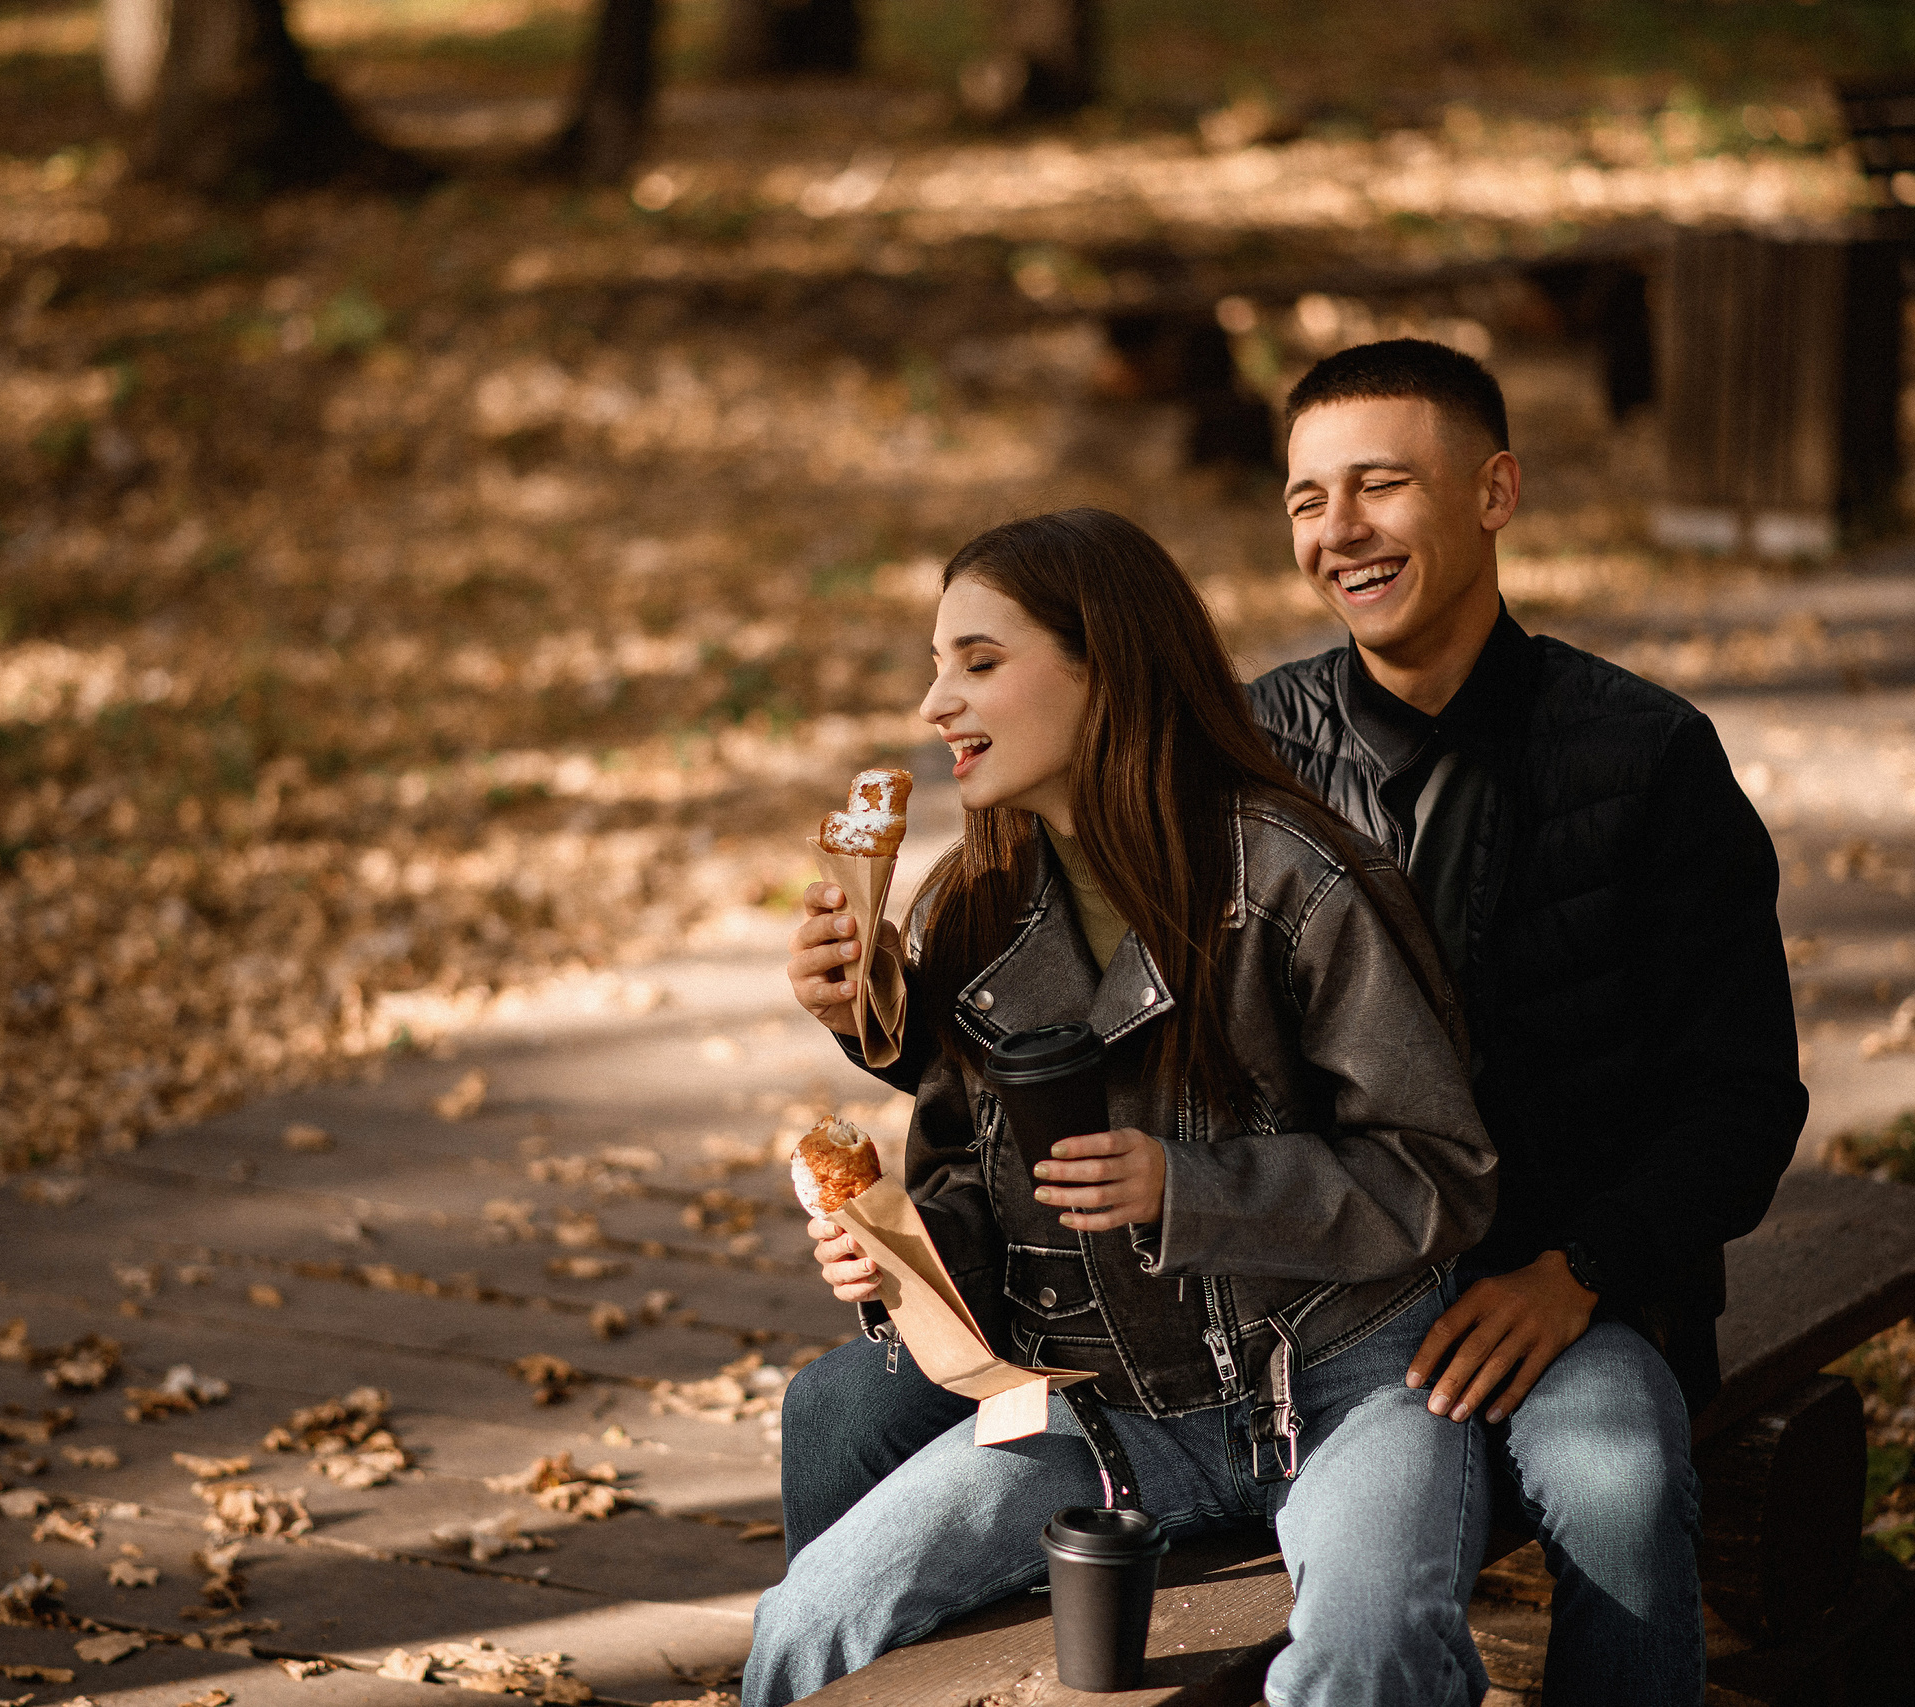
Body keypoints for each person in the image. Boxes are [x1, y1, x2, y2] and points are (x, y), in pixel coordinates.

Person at [784, 341, 1808, 1706]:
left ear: (1495, 490)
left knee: (1615, 1470)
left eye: (1379, 485)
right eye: (1307, 498)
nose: (1339, 528)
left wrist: (1581, 1264)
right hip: (1252, 1292)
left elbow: (1742, 1098)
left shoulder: (1645, 757)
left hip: (1545, 1269)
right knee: (840, 1406)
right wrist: (883, 1018)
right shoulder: (1254, 740)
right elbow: (1084, 1004)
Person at [745, 508, 1499, 1707]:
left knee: (1362, 1660)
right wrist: (895, 1254)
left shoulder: (1298, 883)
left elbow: (1440, 1170)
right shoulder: (967, 909)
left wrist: (1186, 1188)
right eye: (937, 666)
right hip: (1107, 1414)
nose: (936, 705)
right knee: (806, 1622)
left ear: (1110, 668)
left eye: (979, 664)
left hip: (1352, 1394)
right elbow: (968, 1187)